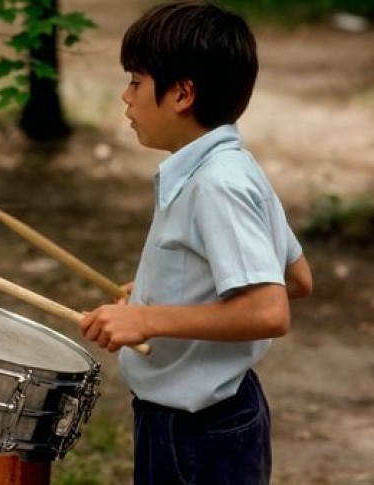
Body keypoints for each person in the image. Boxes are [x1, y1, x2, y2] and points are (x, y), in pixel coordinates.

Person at [78, 2, 314, 484]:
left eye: (136, 82)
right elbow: (297, 278)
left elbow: (270, 310)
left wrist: (148, 317)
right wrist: (172, 295)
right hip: (212, 418)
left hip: (198, 433)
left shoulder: (217, 184)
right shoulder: (233, 166)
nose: (125, 97)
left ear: (183, 93)